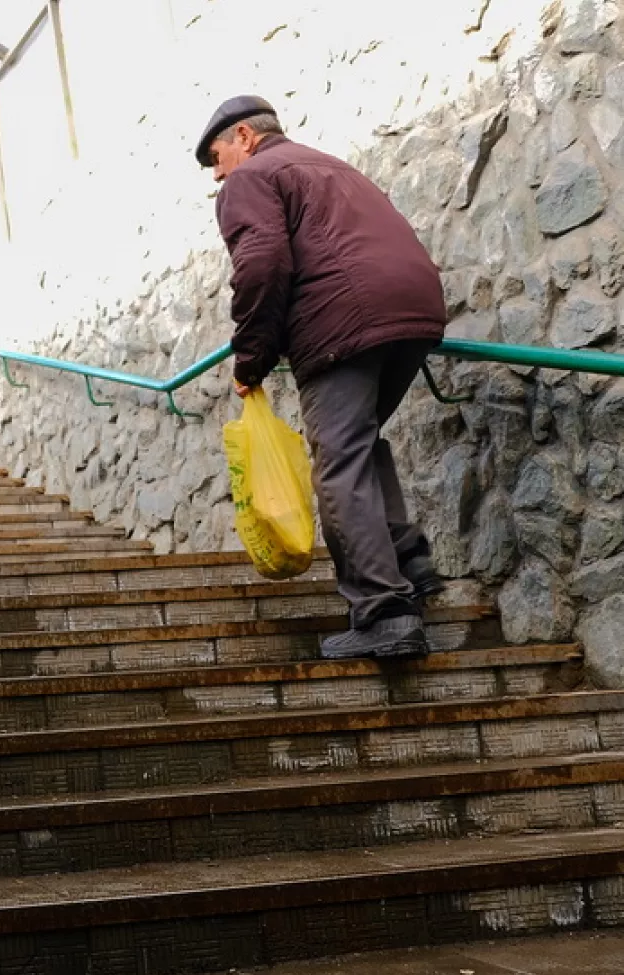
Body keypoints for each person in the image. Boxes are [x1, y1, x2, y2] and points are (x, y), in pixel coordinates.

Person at [198, 95, 447, 660]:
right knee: (357, 445)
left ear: (243, 136)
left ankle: (384, 613)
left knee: (336, 463)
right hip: (414, 309)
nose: (216, 175)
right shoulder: (331, 164)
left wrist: (250, 359)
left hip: (344, 316)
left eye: (216, 157)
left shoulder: (252, 177)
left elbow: (262, 263)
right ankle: (409, 560)